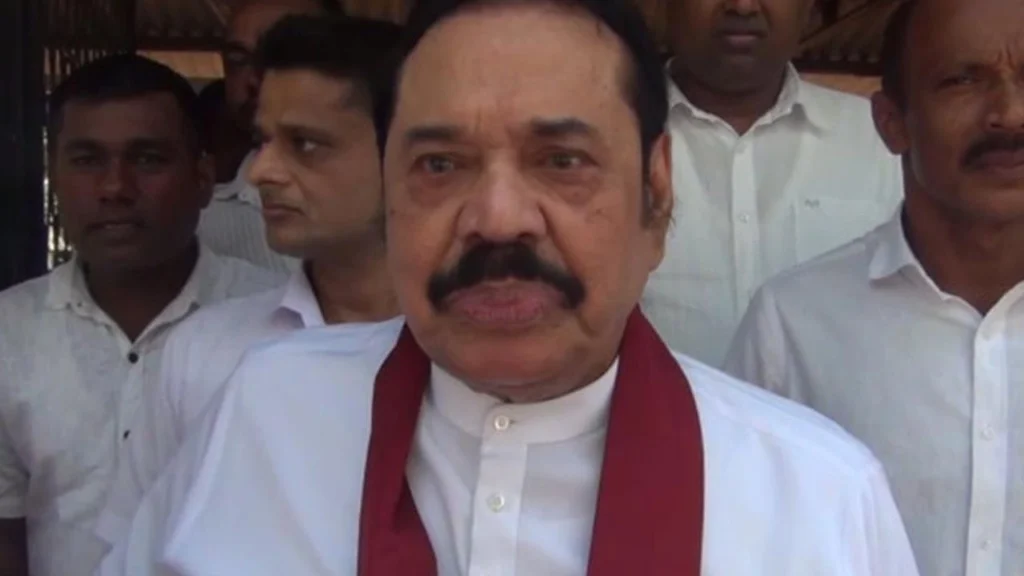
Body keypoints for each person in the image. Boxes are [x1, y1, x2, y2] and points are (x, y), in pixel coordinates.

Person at [99, 1, 920, 574]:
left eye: (561, 161)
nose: (497, 220)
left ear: (656, 194)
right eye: (440, 164)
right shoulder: (265, 418)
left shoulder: (815, 501)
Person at [724, 1, 1024, 574]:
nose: (1009, 114)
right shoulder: (794, 326)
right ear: (891, 123)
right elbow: (740, 539)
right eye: (962, 81)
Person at [93, 14, 405, 548]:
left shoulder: (478, 359)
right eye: (262, 140)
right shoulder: (204, 353)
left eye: (305, 144)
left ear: (405, 153)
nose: (262, 171)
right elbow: (132, 550)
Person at [0, 54, 281, 576]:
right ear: (54, 175)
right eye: (87, 160)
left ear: (203, 177)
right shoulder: (9, 334)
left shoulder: (278, 324)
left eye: (148, 159)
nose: (115, 188)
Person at [642, 0, 905, 365]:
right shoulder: (612, 139)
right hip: (657, 405)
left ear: (810, 9)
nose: (743, 6)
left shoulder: (882, 142)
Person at [196, 0, 343, 273]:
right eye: (237, 61)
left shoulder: (402, 202)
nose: (253, 78)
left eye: (283, 57)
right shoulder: (200, 225)